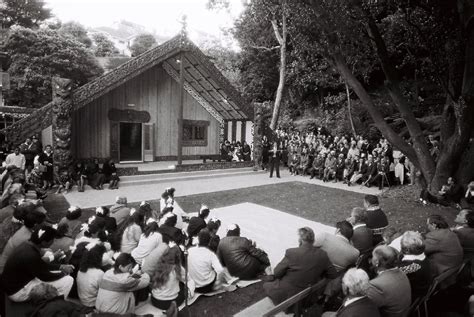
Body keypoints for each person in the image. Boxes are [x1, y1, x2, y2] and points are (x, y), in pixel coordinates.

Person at [263, 227, 338, 304]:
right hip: (307, 297)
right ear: (313, 240)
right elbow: (333, 274)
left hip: (287, 295)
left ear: (300, 240)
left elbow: (277, 273)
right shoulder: (322, 254)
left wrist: (269, 274)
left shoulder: (292, 252)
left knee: (267, 284)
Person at [0, 226, 74, 302]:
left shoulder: (27, 244)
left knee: (59, 273)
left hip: (14, 285)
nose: (53, 242)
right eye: (52, 240)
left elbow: (41, 265)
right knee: (68, 280)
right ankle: (54, 305)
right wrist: (63, 273)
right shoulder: (31, 254)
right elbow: (45, 277)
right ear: (44, 242)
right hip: (18, 292)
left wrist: (60, 267)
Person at [366, 245, 411, 317]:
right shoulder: (402, 273)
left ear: (376, 261)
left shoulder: (376, 285)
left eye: (373, 256)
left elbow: (364, 307)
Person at [151, 247, 193, 312]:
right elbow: (188, 279)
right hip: (169, 303)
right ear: (178, 257)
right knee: (184, 287)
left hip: (155, 300)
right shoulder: (177, 268)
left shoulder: (158, 265)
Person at [424, 214, 463, 279]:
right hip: (451, 269)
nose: (427, 227)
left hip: (440, 272)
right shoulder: (450, 233)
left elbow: (419, 250)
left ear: (434, 225)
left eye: (428, 224)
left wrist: (416, 239)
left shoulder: (436, 236)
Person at [398, 231, 432, 301]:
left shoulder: (409, 266)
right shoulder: (422, 256)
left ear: (407, 249)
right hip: (421, 290)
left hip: (412, 297)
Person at [76, 244, 107, 308]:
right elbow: (103, 291)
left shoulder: (80, 270)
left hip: (82, 300)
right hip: (92, 303)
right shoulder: (99, 273)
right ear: (99, 258)